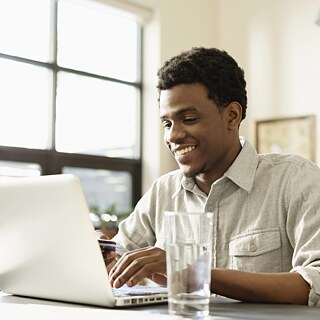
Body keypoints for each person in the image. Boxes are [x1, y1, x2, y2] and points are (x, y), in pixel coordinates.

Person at [106, 47, 320, 306]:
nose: (173, 136)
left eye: (189, 118)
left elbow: (313, 285)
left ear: (232, 116)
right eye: (167, 123)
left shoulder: (294, 179)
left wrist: (191, 271)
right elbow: (117, 257)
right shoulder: (163, 191)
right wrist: (101, 253)